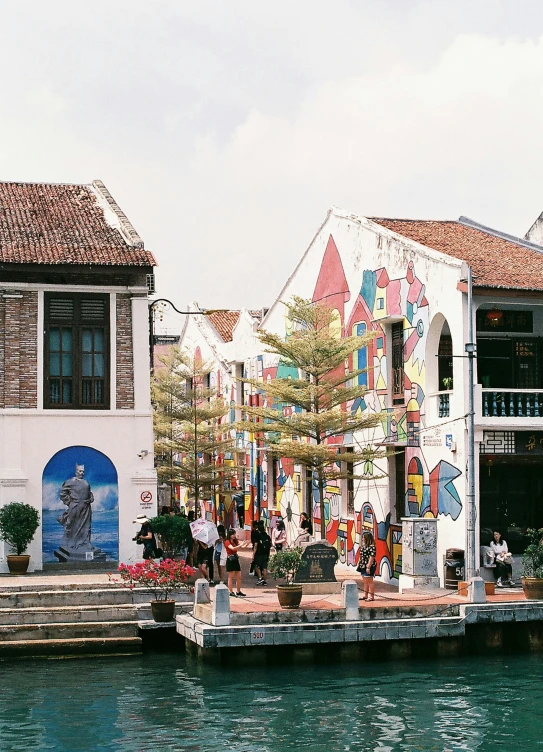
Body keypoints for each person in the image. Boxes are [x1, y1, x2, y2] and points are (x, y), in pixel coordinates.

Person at [58, 463, 95, 553]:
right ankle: (71, 541)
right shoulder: (70, 482)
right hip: (75, 506)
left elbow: (89, 493)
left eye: (83, 471)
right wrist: (70, 502)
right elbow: (63, 493)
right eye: (80, 471)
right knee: (72, 523)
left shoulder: (86, 482)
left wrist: (90, 498)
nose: (82, 473)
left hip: (86, 507)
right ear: (76, 472)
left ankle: (85, 541)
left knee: (86, 525)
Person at [224, 529, 248, 597]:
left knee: (239, 576)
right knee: (231, 577)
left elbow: (242, 547)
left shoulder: (235, 540)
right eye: (232, 534)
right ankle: (231, 591)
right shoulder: (227, 541)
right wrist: (241, 545)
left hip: (235, 558)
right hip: (230, 559)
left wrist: (246, 544)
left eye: (234, 534)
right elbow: (233, 548)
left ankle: (238, 591)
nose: (234, 536)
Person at [357, 531, 377, 601]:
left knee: (369, 581)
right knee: (365, 581)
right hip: (362, 565)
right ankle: (365, 595)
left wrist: (368, 566)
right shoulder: (364, 546)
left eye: (363, 538)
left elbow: (372, 557)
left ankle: (371, 596)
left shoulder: (372, 547)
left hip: (369, 565)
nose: (362, 539)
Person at [254, 521, 272, 586]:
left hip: (259, 553)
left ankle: (260, 578)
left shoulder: (257, 536)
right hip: (266, 553)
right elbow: (270, 544)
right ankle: (265, 581)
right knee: (265, 567)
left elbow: (255, 546)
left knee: (256, 566)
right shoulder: (267, 536)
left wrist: (253, 554)